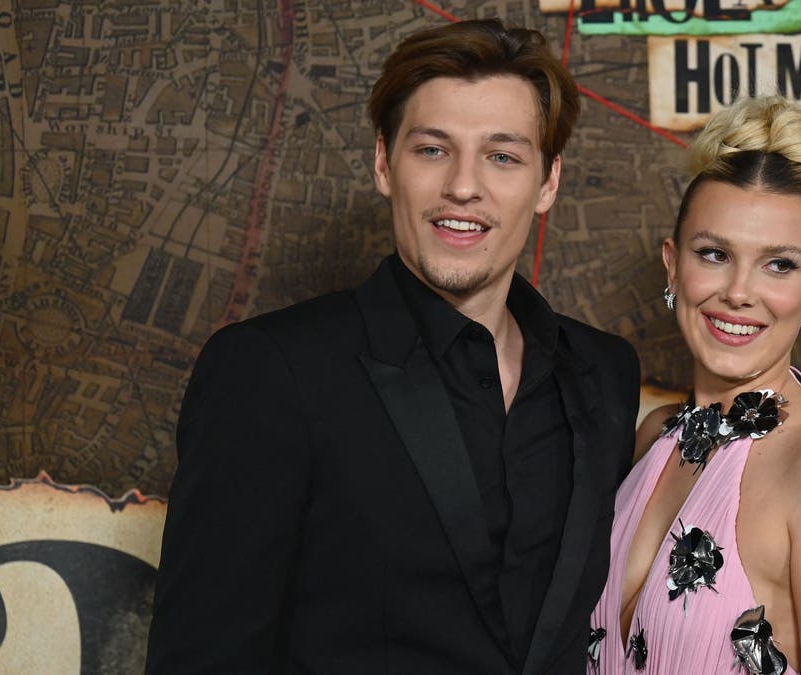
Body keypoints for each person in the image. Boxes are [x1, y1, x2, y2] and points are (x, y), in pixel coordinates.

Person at [146, 19, 640, 674]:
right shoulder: (271, 371)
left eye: (503, 156)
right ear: (384, 162)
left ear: (548, 181)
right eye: (432, 150)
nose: (464, 186)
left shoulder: (604, 373)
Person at [587, 97, 801, 674]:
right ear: (673, 265)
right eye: (714, 254)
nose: (738, 292)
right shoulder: (654, 436)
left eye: (779, 264)